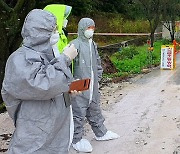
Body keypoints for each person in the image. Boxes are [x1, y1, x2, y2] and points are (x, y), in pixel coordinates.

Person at [1, 9, 78, 154]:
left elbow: (55, 86)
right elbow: (45, 86)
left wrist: (69, 90)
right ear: (40, 32)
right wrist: (65, 59)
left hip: (55, 131)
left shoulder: (47, 54)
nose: (56, 32)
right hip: (34, 136)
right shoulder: (19, 59)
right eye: (53, 29)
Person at [70, 18, 120, 153]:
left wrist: (97, 77)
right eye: (88, 28)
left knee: (94, 108)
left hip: (92, 83)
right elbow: (67, 65)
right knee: (78, 111)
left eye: (92, 28)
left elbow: (97, 62)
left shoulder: (93, 44)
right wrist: (73, 82)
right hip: (79, 83)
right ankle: (76, 139)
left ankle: (101, 133)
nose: (91, 30)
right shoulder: (75, 45)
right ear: (82, 28)